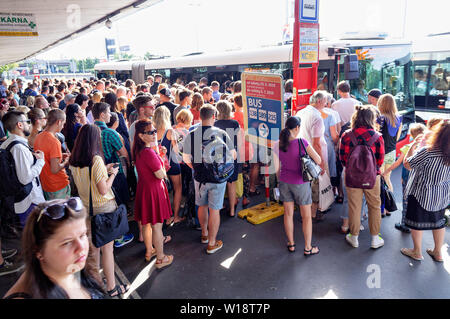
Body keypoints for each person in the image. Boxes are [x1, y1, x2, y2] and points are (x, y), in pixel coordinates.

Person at [68, 124, 129, 297]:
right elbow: (103, 189)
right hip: (103, 208)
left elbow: (87, 181)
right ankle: (112, 287)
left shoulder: (74, 159)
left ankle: (96, 283)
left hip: (87, 209)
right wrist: (113, 174)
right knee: (107, 250)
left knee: (93, 250)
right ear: (94, 139)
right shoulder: (96, 160)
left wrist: (105, 170)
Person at [3, 198, 106, 299]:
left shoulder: (75, 267)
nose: (81, 248)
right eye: (67, 243)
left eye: (82, 235)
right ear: (38, 250)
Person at [183, 104, 236, 254]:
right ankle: (212, 243)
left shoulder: (191, 134)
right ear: (214, 116)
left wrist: (196, 168)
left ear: (199, 116)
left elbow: (186, 158)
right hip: (218, 178)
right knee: (215, 210)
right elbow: (233, 155)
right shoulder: (221, 133)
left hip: (200, 178)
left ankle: (204, 235)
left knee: (202, 206)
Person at [400, 120, 450, 262]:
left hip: (421, 193)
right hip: (442, 195)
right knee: (439, 223)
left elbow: (407, 165)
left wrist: (412, 146)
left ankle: (416, 252)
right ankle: (437, 252)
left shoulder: (428, 151)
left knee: (417, 223)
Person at [339, 105, 385, 249]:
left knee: (354, 207)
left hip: (352, 177)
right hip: (372, 178)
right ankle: (374, 239)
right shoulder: (377, 137)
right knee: (374, 206)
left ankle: (354, 237)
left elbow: (342, 158)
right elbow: (380, 160)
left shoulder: (347, 135)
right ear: (371, 119)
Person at [274, 116, 321, 255]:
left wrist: (279, 182)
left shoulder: (277, 144)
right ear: (297, 128)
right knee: (306, 216)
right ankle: (307, 247)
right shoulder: (302, 142)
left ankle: (291, 244)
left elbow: (277, 168)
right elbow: (318, 159)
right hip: (300, 183)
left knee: (288, 214)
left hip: (284, 182)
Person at [133, 120, 174, 268]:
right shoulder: (148, 152)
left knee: (146, 223)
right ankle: (161, 258)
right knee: (157, 225)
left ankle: (150, 250)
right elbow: (160, 174)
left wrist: (159, 155)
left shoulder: (139, 150)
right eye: (150, 132)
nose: (154, 134)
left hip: (144, 188)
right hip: (154, 190)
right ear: (141, 136)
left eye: (154, 131)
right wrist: (161, 161)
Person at [92, 102, 133, 247]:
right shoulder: (109, 132)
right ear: (102, 114)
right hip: (113, 171)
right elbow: (124, 153)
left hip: (95, 174)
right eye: (109, 112)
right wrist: (129, 164)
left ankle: (109, 235)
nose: (110, 115)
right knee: (119, 204)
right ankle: (119, 236)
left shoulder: (89, 130)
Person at [381, 123, 426, 233]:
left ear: (411, 134)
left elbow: (398, 163)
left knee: (406, 201)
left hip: (407, 179)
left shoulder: (407, 147)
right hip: (420, 179)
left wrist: (386, 171)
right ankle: (416, 223)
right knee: (416, 201)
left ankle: (405, 224)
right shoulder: (425, 148)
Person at [296, 91, 328, 221]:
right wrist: (321, 162)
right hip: (312, 156)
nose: (327, 104)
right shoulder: (317, 117)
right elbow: (316, 143)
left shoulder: (300, 113)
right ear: (319, 101)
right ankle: (313, 213)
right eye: (326, 101)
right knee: (315, 185)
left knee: (304, 185)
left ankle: (303, 212)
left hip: (300, 153)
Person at [154, 106, 184, 225]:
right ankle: (175, 216)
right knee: (178, 189)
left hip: (158, 165)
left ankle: (164, 216)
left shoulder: (152, 131)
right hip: (172, 164)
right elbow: (177, 150)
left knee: (163, 191)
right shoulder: (170, 131)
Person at [34, 109, 71, 200]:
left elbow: (45, 156)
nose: (63, 126)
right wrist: (66, 162)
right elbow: (54, 169)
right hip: (58, 185)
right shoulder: (54, 141)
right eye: (63, 123)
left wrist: (60, 155)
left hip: (46, 183)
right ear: (59, 122)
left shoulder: (39, 136)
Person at [214, 100, 241, 217]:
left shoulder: (214, 124)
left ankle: (217, 208)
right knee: (231, 183)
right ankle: (232, 211)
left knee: (219, 183)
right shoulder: (234, 124)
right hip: (232, 155)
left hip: (218, 156)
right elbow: (239, 142)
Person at [377, 94, 402, 210]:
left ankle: (381, 209)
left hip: (380, 152)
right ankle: (388, 208)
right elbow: (397, 138)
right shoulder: (398, 118)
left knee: (379, 181)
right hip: (392, 152)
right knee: (387, 179)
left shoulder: (380, 118)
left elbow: (376, 137)